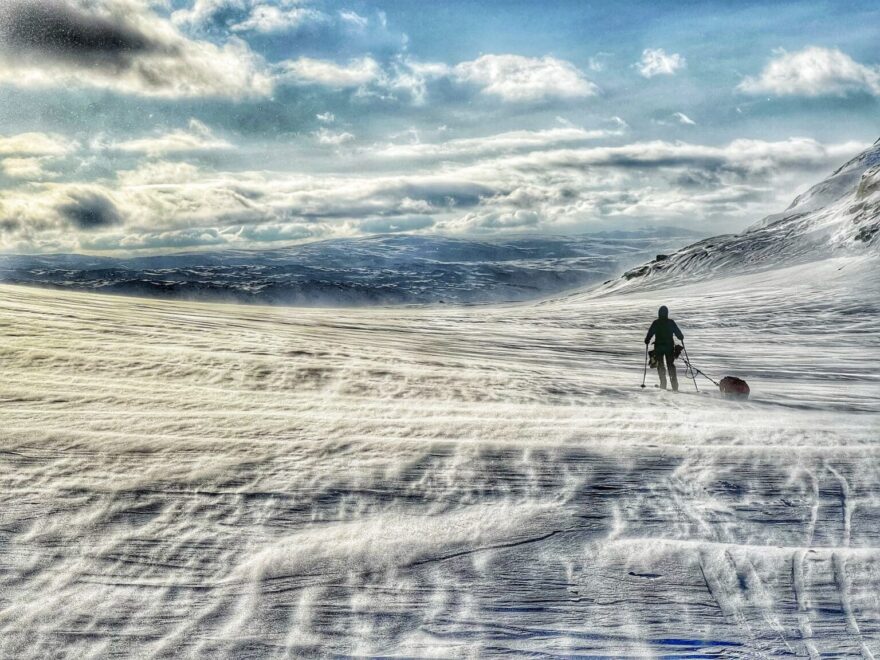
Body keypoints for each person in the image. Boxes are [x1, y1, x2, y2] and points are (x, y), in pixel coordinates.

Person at [644, 305, 684, 391]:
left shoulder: (656, 323)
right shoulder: (671, 322)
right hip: (669, 347)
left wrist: (647, 340)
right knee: (670, 365)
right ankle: (674, 386)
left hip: (658, 347)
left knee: (661, 366)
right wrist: (681, 337)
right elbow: (679, 334)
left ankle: (663, 384)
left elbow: (650, 333)